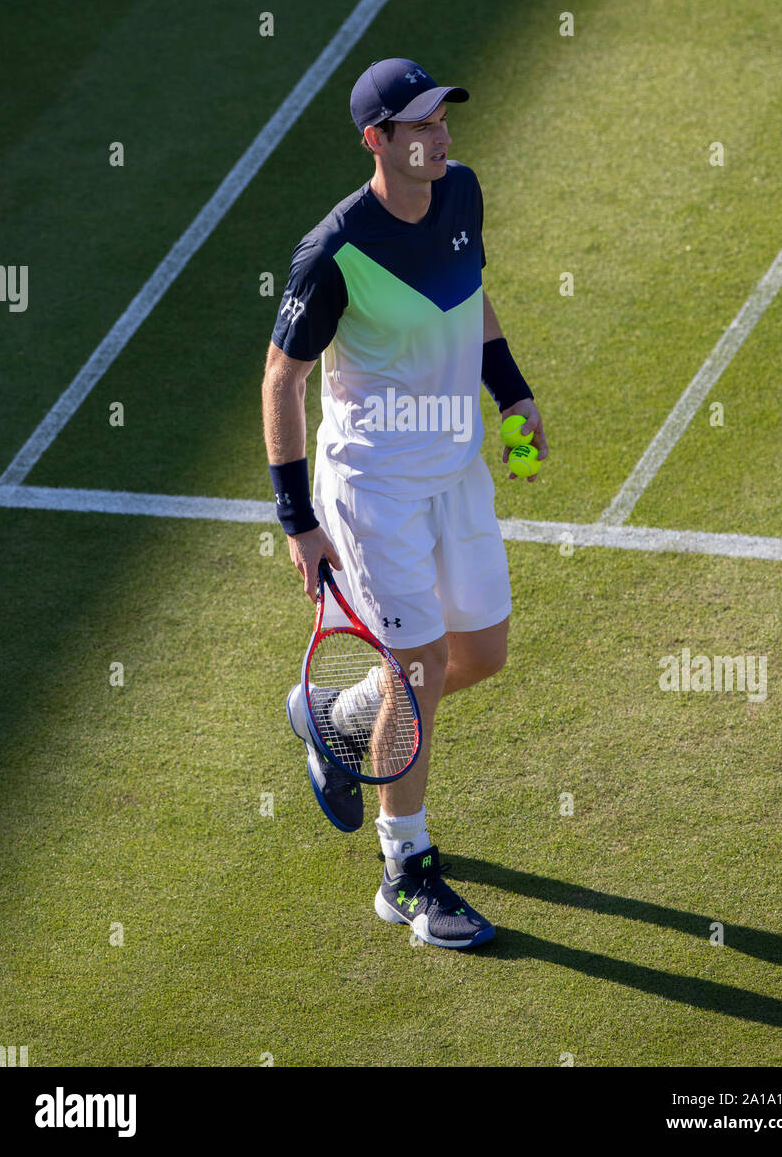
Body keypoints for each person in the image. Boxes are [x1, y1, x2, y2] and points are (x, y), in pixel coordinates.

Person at [262, 57, 547, 948]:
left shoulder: (461, 192)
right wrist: (296, 519)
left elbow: (472, 299)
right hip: (375, 489)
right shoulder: (334, 251)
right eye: (418, 125)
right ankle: (406, 871)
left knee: (484, 652)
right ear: (375, 140)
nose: (439, 135)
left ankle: (341, 717)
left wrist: (511, 390)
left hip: (456, 472)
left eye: (442, 120)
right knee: (418, 672)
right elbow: (282, 380)